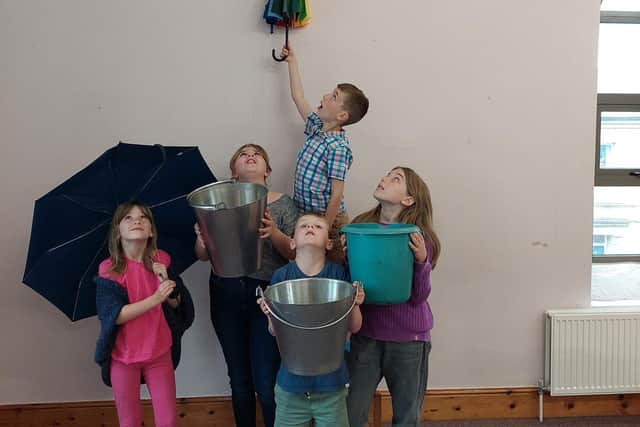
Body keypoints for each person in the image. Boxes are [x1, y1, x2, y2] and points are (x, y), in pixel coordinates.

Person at [194, 144, 298, 427]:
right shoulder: (216, 202)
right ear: (233, 172)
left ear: (268, 170)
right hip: (224, 292)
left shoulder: (284, 203)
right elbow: (203, 256)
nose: (250, 155)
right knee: (239, 379)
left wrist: (273, 233)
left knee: (266, 381)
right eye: (243, 154)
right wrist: (202, 240)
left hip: (266, 295)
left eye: (258, 154)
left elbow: (294, 253)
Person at [345, 167, 441, 427]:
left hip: (409, 339)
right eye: (386, 174)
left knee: (407, 415)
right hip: (366, 334)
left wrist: (422, 261)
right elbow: (350, 284)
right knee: (352, 413)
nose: (384, 178)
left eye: (395, 178)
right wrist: (345, 255)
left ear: (409, 199)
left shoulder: (417, 238)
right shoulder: (359, 229)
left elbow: (419, 296)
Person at [257, 213, 365, 427]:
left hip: (331, 386)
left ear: (329, 243)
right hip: (291, 386)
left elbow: (354, 326)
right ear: (292, 241)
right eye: (304, 225)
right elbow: (275, 331)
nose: (310, 228)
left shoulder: (338, 275)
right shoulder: (281, 277)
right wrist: (270, 314)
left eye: (318, 226)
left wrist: (355, 303)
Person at [94, 201, 195, 427]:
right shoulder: (109, 270)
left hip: (159, 353)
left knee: (168, 420)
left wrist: (167, 284)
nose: (136, 220)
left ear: (151, 231)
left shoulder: (162, 261)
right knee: (129, 421)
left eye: (143, 217)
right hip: (123, 357)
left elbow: (178, 305)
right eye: (128, 218)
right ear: (118, 233)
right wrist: (155, 299)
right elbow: (114, 315)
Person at [279, 43, 369, 263]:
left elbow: (336, 194)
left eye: (334, 96)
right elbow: (298, 97)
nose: (325, 96)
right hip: (307, 216)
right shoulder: (317, 128)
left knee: (332, 269)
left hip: (329, 220)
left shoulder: (338, 147)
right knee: (308, 266)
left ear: (342, 116)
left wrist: (325, 229)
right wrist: (292, 61)